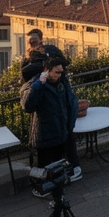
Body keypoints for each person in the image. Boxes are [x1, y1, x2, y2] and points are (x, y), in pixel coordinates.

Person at [20, 29, 80, 181]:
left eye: (33, 40)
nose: (31, 43)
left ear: (40, 39)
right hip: (49, 116)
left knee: (62, 142)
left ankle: (66, 172)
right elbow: (28, 97)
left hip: (58, 118)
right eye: (29, 40)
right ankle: (61, 175)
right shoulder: (30, 66)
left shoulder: (51, 56)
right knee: (53, 148)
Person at [21, 57, 79, 198]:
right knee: (44, 166)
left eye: (61, 72)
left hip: (60, 133)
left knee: (57, 165)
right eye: (56, 72)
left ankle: (54, 187)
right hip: (44, 134)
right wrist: (39, 84)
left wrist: (68, 127)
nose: (59, 75)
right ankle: (41, 189)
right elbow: (27, 106)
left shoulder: (62, 82)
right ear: (46, 71)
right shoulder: (35, 84)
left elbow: (70, 104)